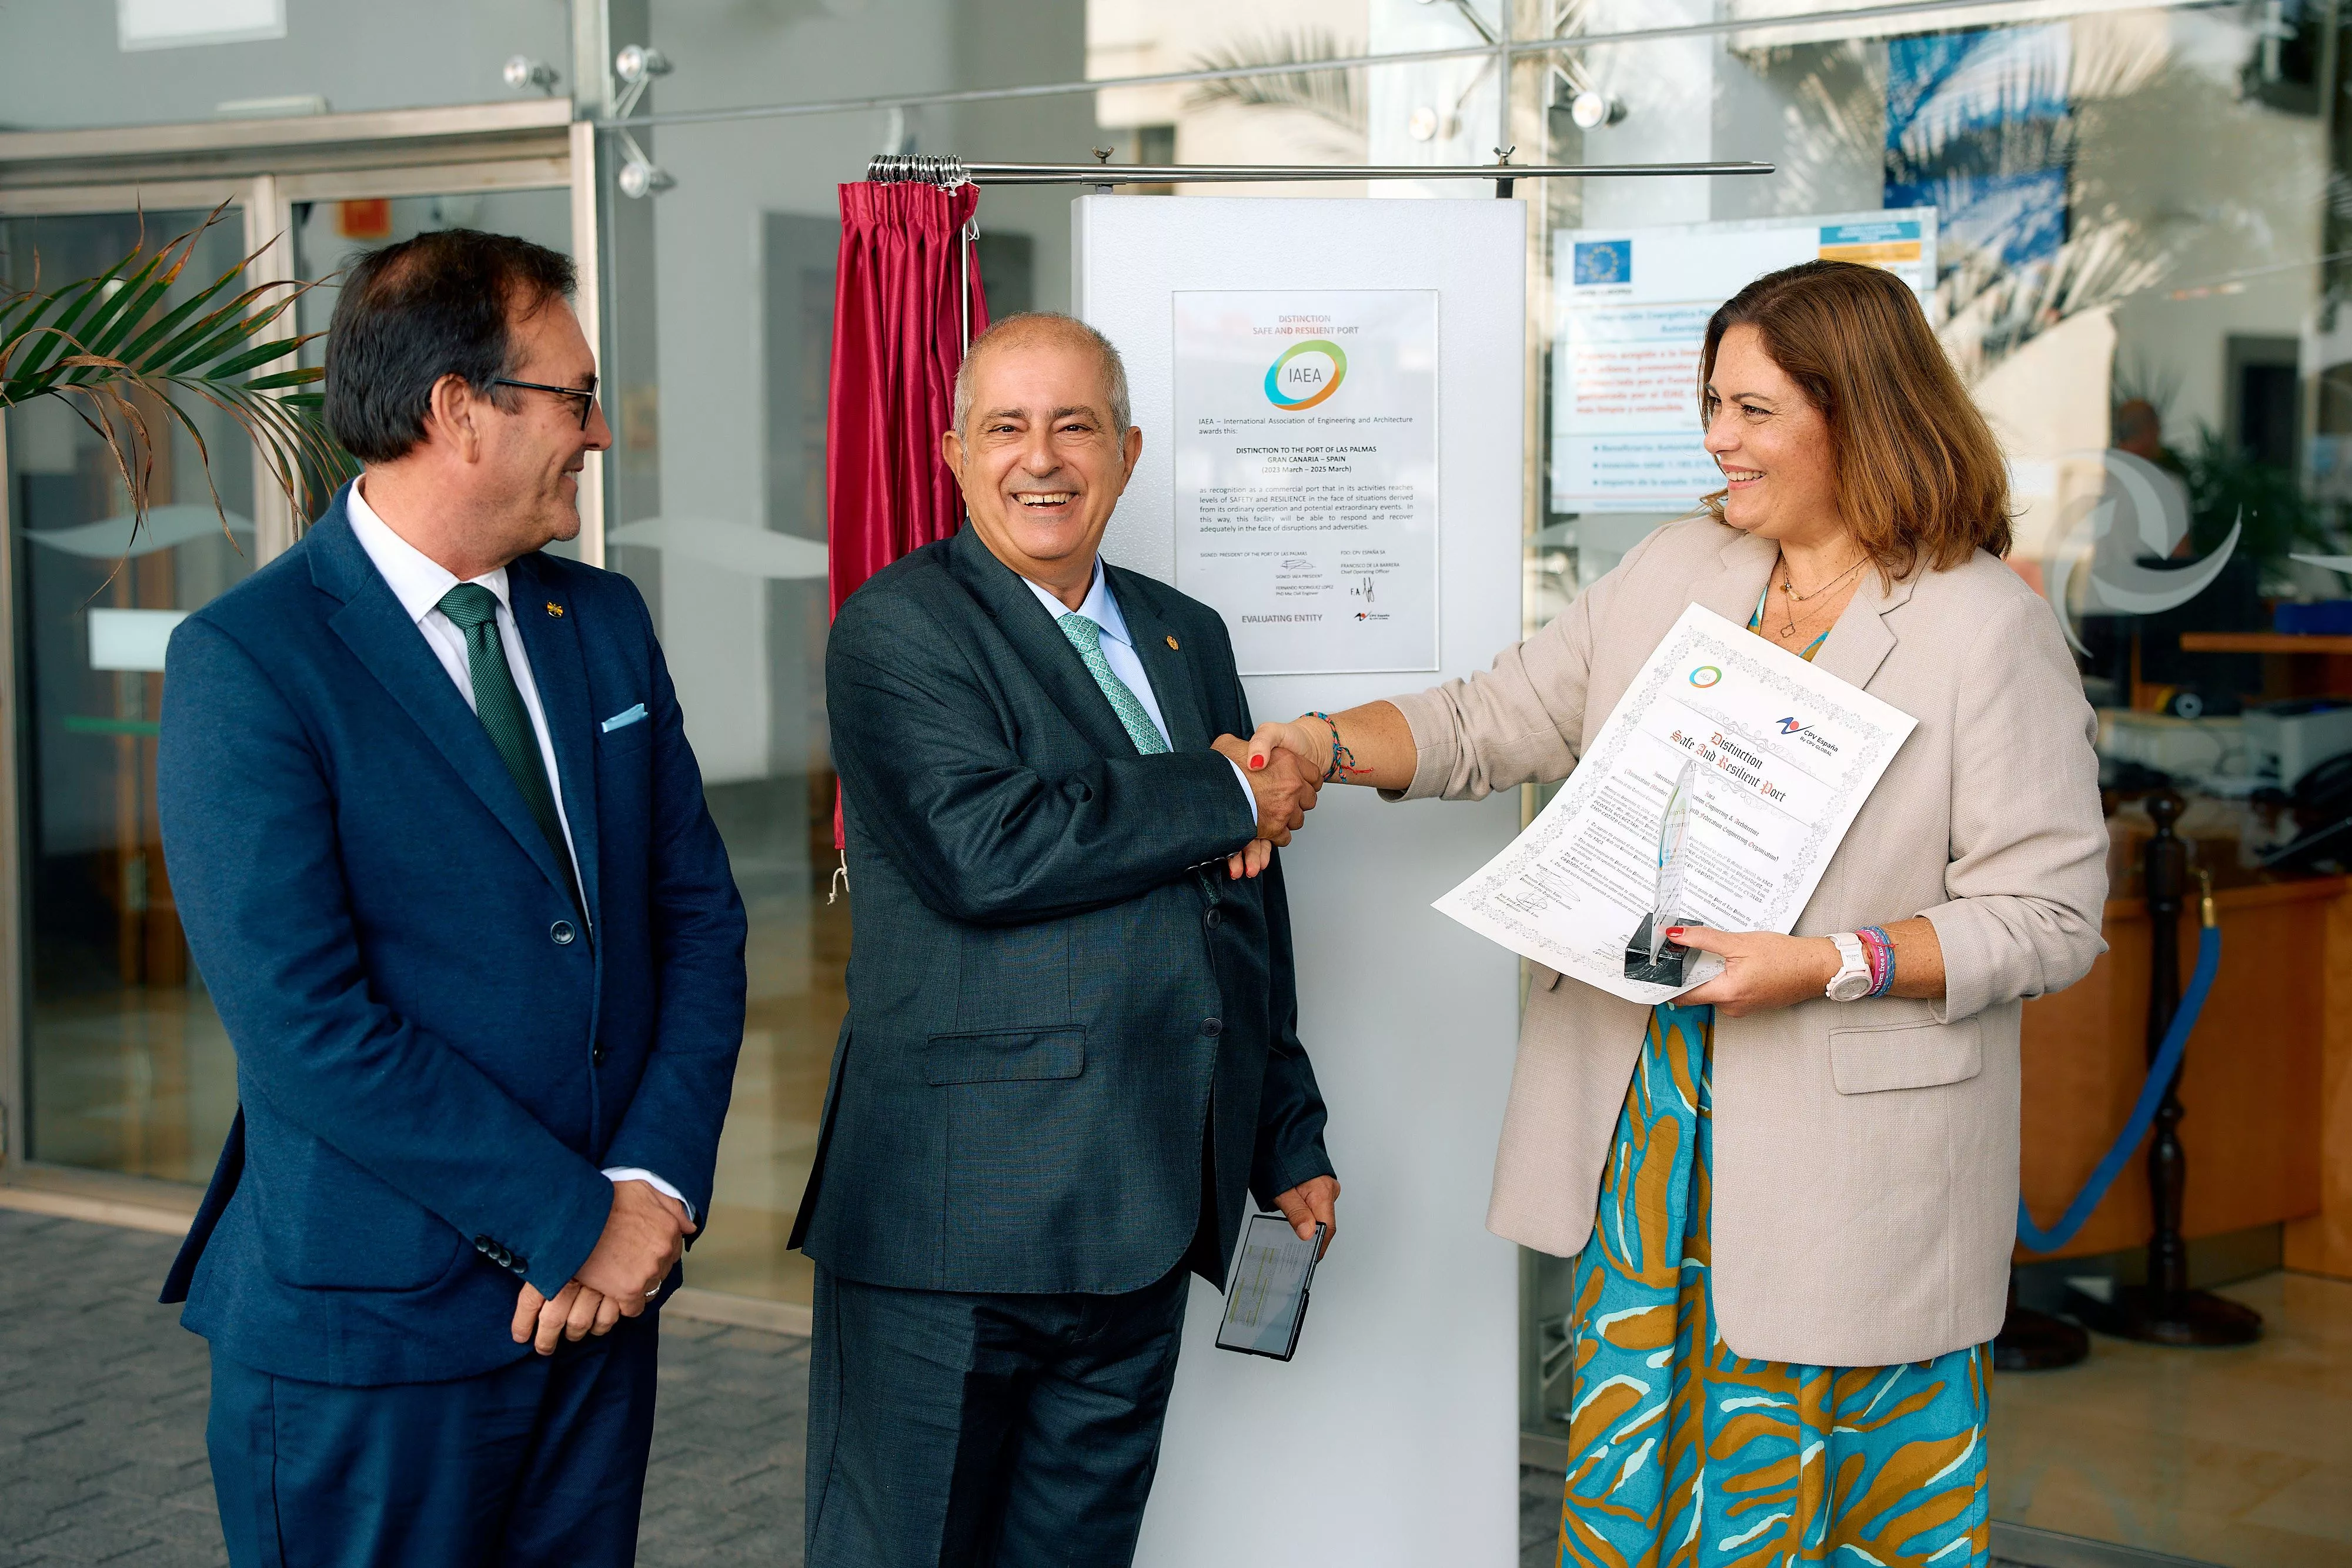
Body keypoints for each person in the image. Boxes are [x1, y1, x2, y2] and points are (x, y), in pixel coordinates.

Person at [1245, 260, 2108, 1566]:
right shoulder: (1676, 567)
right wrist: (1314, 742)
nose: (1717, 438)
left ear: (1856, 413)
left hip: (1844, 1175)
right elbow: (1489, 719)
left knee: (1813, 1519)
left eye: (1753, 410)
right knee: (1638, 1496)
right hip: (1648, 1143)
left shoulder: (1981, 628)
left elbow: (2049, 913)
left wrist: (1829, 962)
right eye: (1712, 402)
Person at [155, 229, 748, 1567]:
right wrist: (574, 1220)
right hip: (370, 1341)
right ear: (458, 411)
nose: (595, 435)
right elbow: (305, 1029)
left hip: (596, 1313)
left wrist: (647, 1187)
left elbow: (696, 919)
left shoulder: (597, 620)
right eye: (574, 397)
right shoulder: (249, 661)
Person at [793, 312, 1339, 1567]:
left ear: (1128, 450)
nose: (1041, 459)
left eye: (1073, 425)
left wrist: (1284, 1133)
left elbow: (1246, 906)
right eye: (1005, 427)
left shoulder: (1183, 633)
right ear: (951, 453)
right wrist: (1220, 796)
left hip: (1143, 1204)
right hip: (952, 1227)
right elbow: (985, 848)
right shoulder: (899, 629)